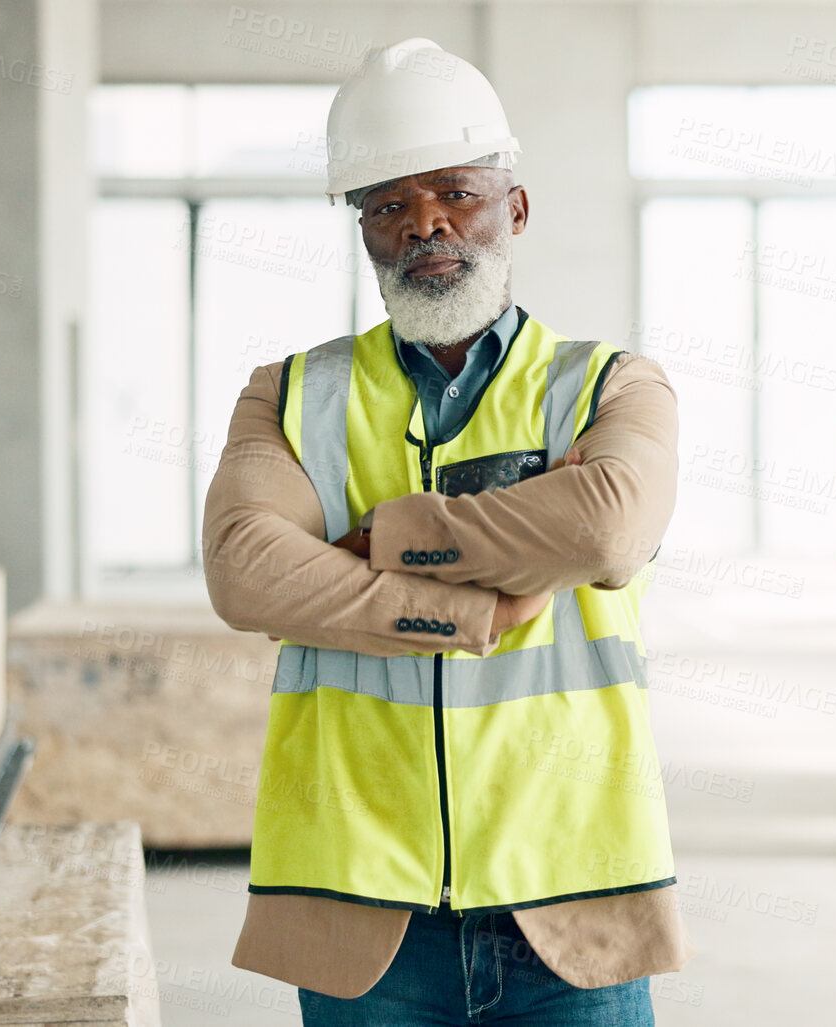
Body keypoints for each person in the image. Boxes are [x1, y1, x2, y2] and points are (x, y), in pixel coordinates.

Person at [200, 38, 686, 1026]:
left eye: (455, 190)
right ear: (363, 229)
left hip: (571, 897)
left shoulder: (609, 383)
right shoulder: (290, 396)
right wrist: (473, 603)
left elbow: (610, 528)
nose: (426, 222)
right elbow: (247, 574)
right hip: (361, 909)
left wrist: (386, 530)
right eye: (387, 203)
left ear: (515, 207)